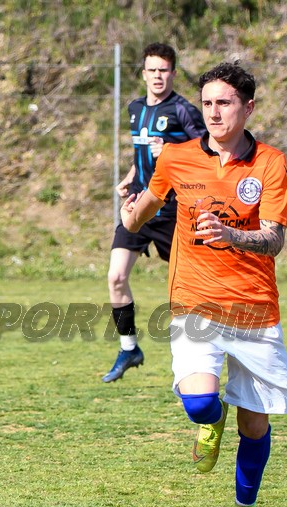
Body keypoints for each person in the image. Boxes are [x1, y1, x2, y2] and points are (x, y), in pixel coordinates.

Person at [120, 62, 287, 507]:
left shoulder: (270, 163)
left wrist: (230, 234)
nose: (214, 113)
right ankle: (211, 423)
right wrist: (127, 213)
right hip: (194, 301)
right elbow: (142, 212)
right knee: (199, 403)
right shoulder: (177, 157)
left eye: (225, 103)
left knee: (254, 426)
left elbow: (275, 240)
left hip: (254, 308)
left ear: (248, 107)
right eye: (208, 103)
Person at [103, 43, 207, 383]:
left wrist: (174, 150)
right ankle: (129, 348)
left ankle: (207, 354)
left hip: (174, 209)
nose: (158, 76)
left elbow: (208, 152)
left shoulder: (184, 111)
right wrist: (130, 176)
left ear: (173, 73)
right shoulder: (135, 108)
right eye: (152, 70)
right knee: (116, 277)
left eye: (164, 70)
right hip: (139, 203)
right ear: (144, 73)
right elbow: (142, 153)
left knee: (191, 285)